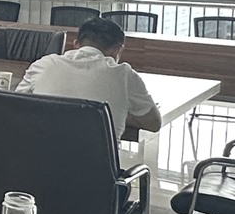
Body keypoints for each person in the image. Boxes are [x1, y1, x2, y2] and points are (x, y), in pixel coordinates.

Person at [16, 16, 161, 136]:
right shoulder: (124, 74)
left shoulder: (43, 64)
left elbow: (14, 107)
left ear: (76, 44)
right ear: (117, 50)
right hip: (97, 163)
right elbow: (154, 123)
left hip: (38, 160)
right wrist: (119, 112)